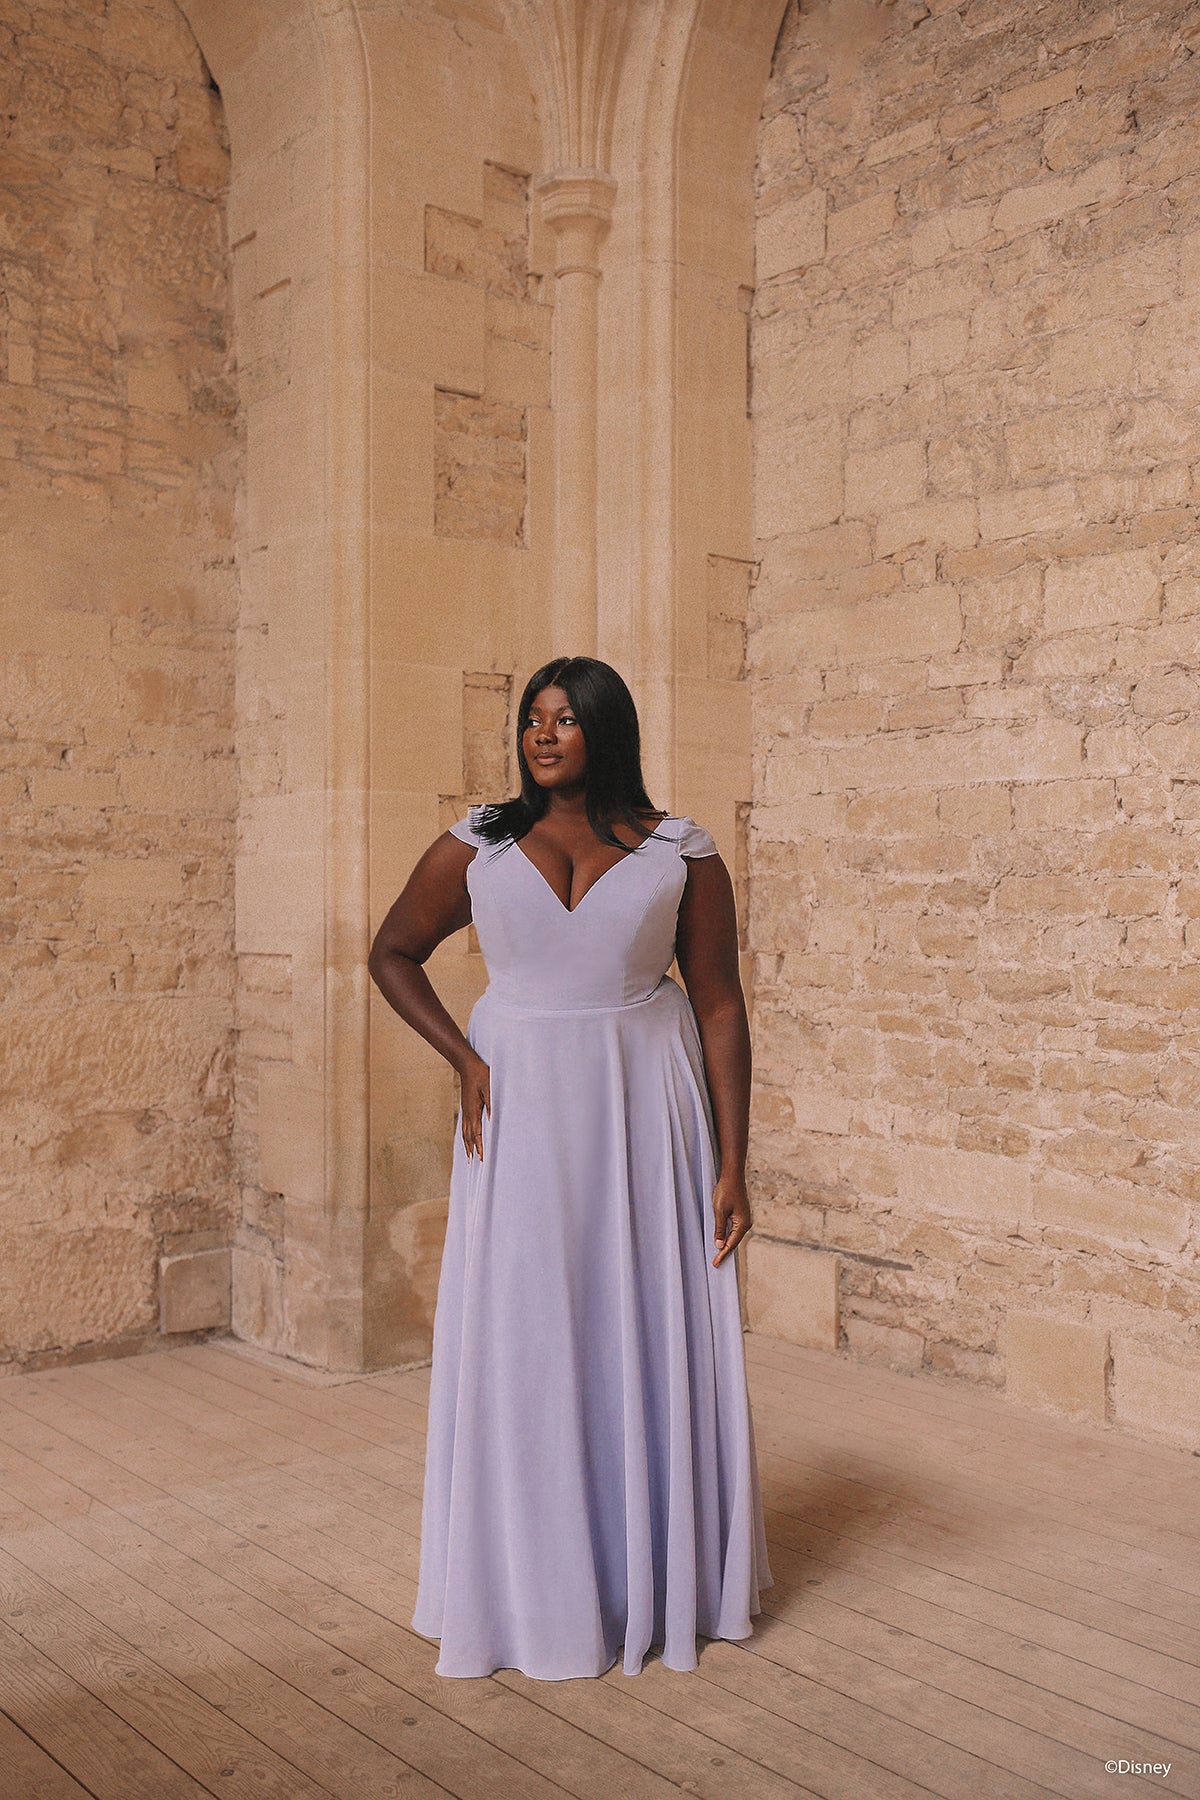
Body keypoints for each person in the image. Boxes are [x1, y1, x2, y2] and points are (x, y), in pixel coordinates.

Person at [368, 653, 773, 1679]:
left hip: (646, 1107)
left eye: (565, 719)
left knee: (636, 1319)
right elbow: (392, 952)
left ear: (606, 729)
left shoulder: (681, 851)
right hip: (521, 1109)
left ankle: (647, 1579)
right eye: (533, 720)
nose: (543, 736)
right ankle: (528, 1588)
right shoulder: (479, 843)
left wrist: (734, 1162)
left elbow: (720, 1004)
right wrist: (465, 1058)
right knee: (529, 1333)